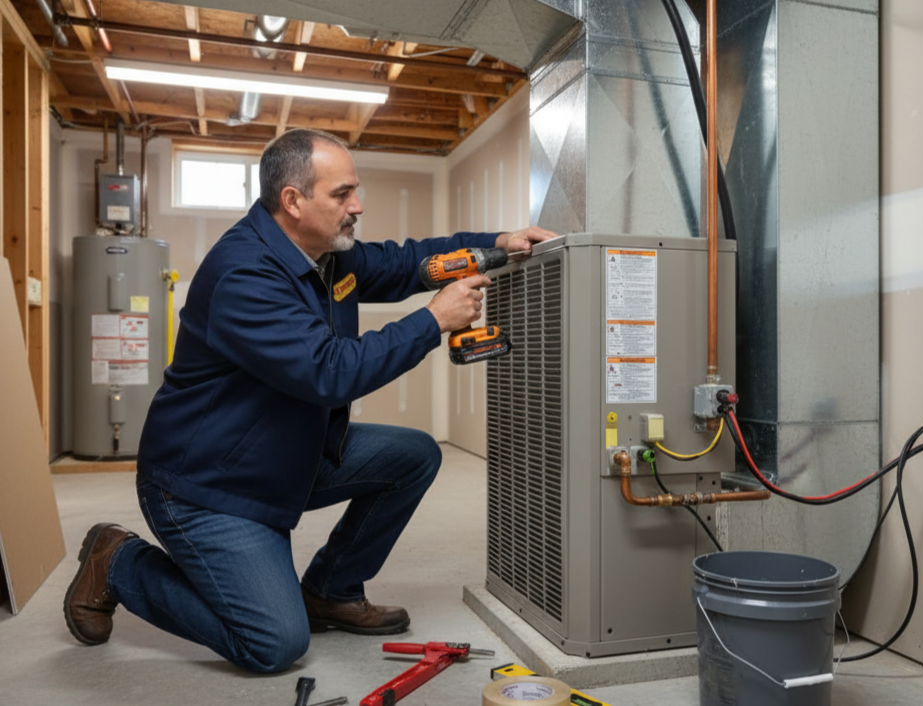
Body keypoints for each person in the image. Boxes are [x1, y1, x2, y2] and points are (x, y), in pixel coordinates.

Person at [62, 127, 558, 673]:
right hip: (208, 485)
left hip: (285, 454)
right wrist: (434, 320)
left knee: (414, 455)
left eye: (356, 191)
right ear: (292, 201)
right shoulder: (245, 274)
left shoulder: (327, 255)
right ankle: (118, 561)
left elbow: (406, 262)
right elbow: (328, 373)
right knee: (273, 644)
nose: (358, 206)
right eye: (342, 194)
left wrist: (497, 242)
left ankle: (331, 590)